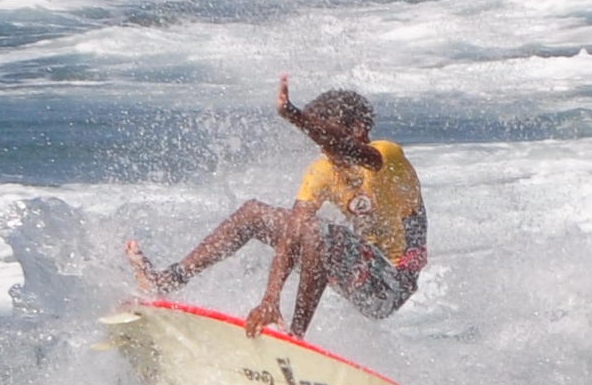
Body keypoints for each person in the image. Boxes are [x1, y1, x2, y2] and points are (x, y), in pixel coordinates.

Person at [125, 75, 427, 339]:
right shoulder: (320, 172)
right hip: (355, 273)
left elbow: (347, 148)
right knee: (257, 213)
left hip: (390, 286)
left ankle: (296, 335)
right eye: (315, 137)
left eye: (324, 134)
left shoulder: (387, 156)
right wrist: (270, 298)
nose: (321, 145)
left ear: (358, 129)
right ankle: (168, 280)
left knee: (320, 231)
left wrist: (295, 116)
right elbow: (294, 232)